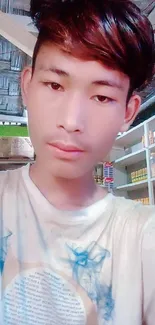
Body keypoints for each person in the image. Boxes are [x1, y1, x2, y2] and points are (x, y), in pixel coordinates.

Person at [0, 0, 154, 324]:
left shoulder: (142, 237)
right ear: (27, 86)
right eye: (55, 85)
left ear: (128, 111)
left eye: (102, 97)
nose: (71, 121)